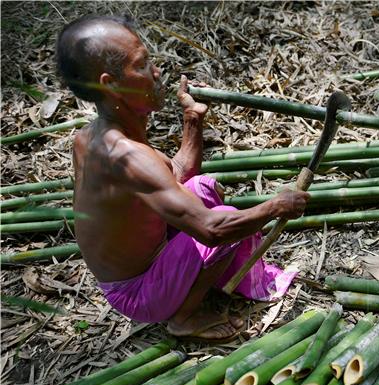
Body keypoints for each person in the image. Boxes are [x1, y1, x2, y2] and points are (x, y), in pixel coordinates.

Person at [56, 15, 310, 341]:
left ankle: (190, 283)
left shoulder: (97, 134)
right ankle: (184, 316)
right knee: (225, 220)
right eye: (143, 65)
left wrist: (192, 121)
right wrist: (276, 206)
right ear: (110, 84)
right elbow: (212, 230)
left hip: (150, 261)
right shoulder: (124, 156)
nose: (157, 72)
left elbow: (174, 176)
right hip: (138, 292)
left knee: (199, 188)